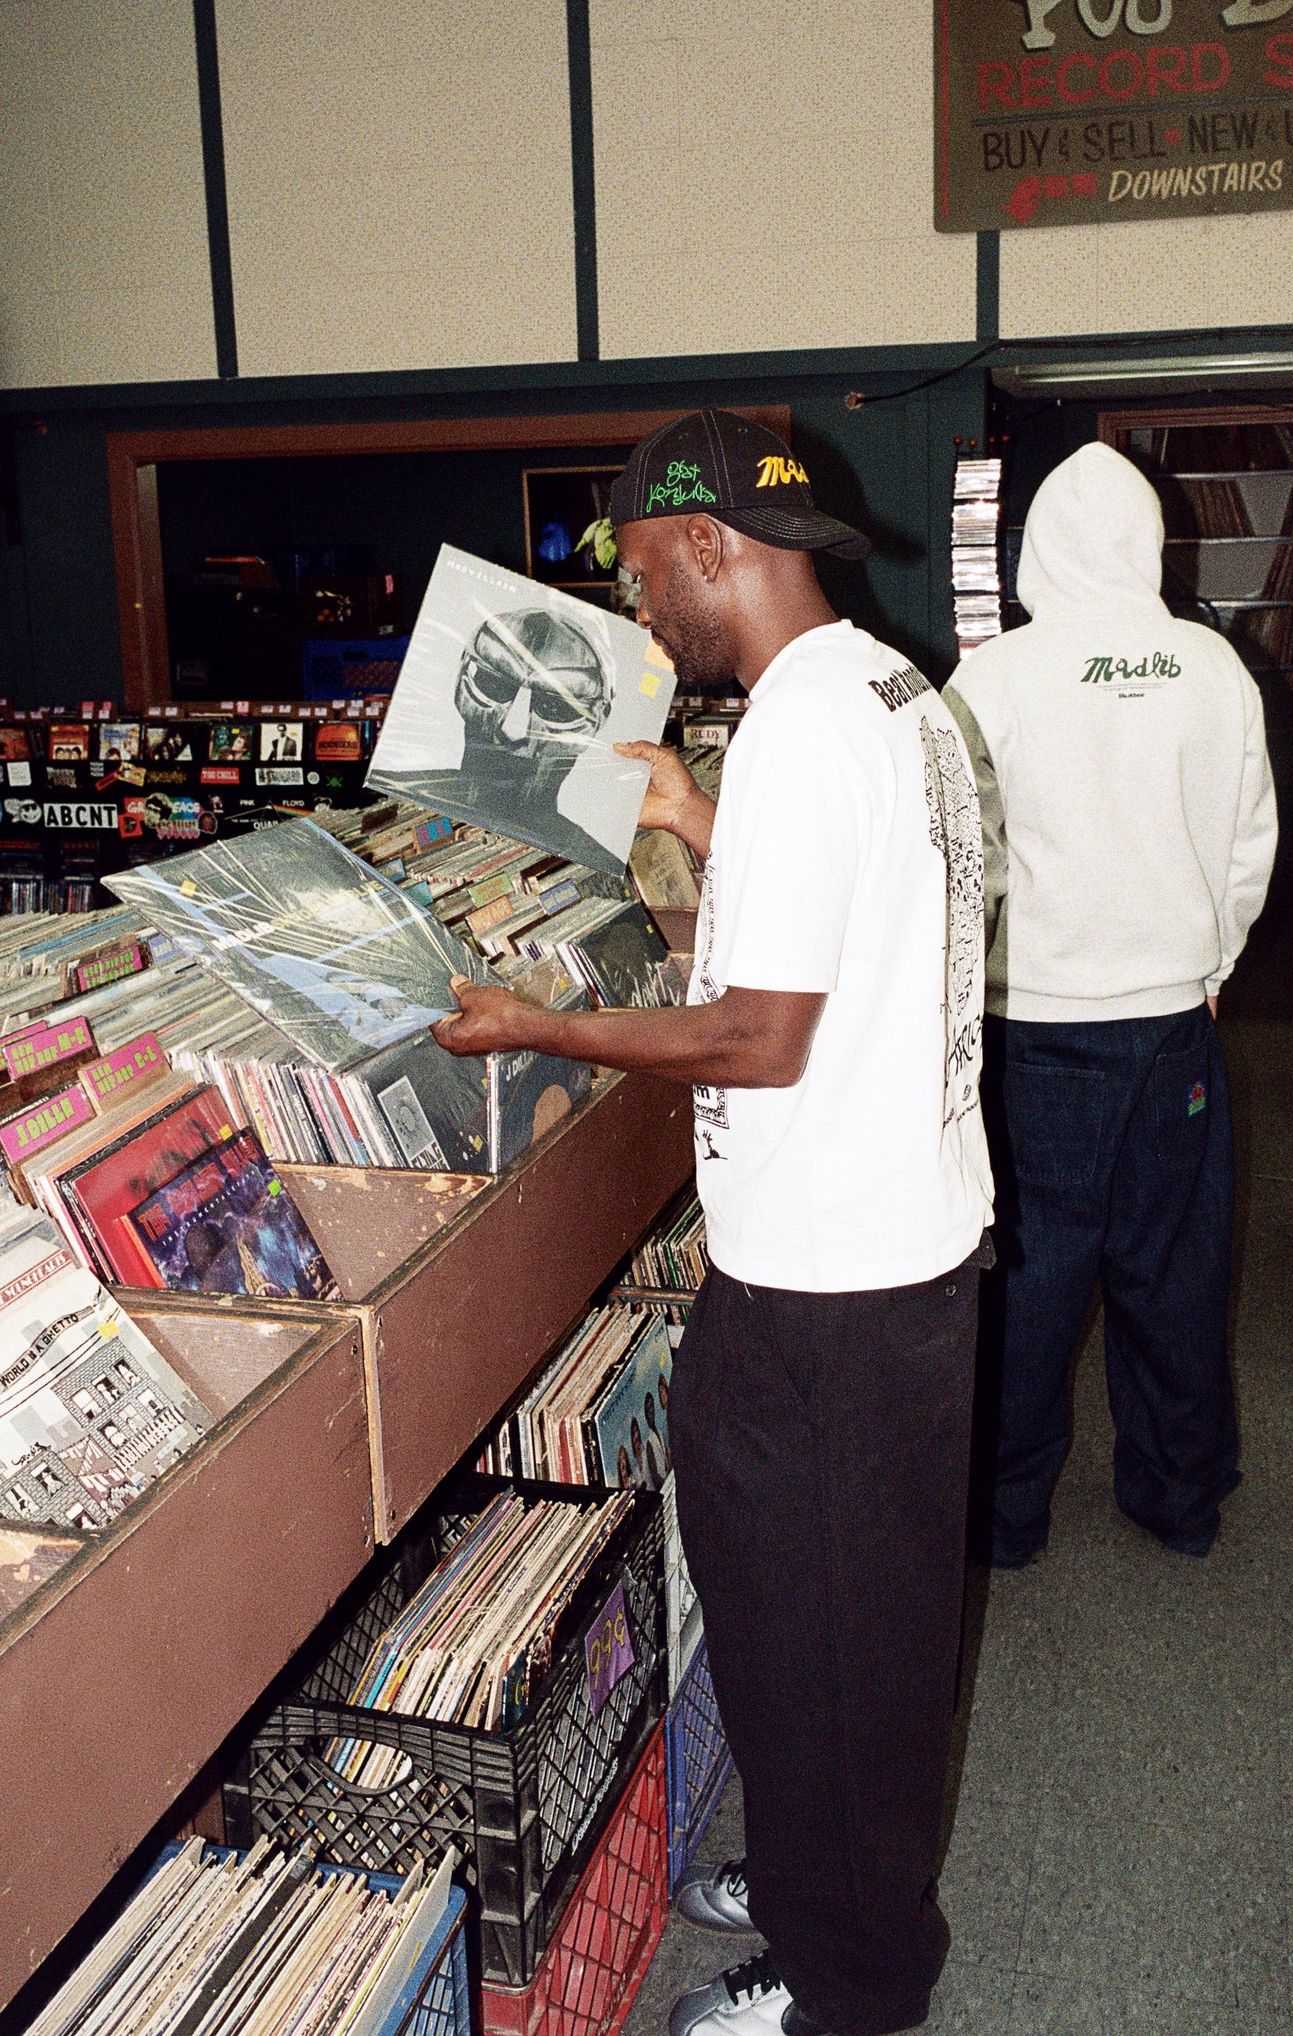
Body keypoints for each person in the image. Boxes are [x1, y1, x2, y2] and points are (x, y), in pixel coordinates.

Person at [434, 408, 993, 2036]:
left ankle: (850, 1976)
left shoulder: (807, 728)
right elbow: (855, 903)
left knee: (826, 1646)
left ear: (707, 543)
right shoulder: (884, 689)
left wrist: (538, 1025)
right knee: (837, 1629)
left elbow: (759, 1032)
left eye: (637, 568)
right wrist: (694, 816)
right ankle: (832, 1879)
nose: (635, 604)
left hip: (831, 1284)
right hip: (889, 1247)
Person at [946, 439, 1277, 1566]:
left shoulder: (992, 679)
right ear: (1149, 541)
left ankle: (1004, 1517)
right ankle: (1178, 1498)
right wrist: (1208, 969)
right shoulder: (1213, 667)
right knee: (1174, 1267)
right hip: (1172, 1026)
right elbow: (1247, 845)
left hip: (1033, 1031)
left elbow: (961, 860)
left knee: (1028, 1281)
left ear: (1033, 548)